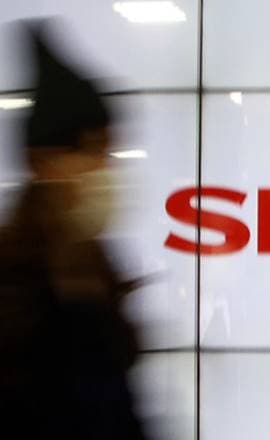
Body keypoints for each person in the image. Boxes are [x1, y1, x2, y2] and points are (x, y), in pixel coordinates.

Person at [0, 21, 145, 439]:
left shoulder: (97, 270)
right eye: (92, 151)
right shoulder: (15, 283)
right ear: (41, 162)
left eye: (109, 152)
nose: (105, 170)